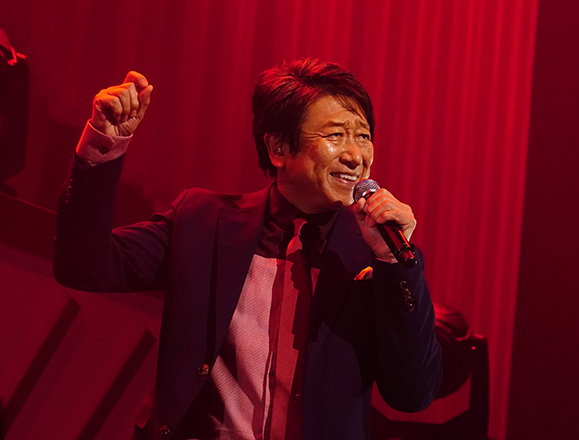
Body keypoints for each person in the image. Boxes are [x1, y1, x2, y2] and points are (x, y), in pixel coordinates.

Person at [53, 58, 441, 440]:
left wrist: (394, 264)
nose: (356, 156)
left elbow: (412, 394)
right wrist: (103, 143)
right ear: (278, 148)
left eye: (363, 136)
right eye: (335, 136)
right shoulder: (204, 223)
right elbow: (83, 265)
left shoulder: (377, 255)